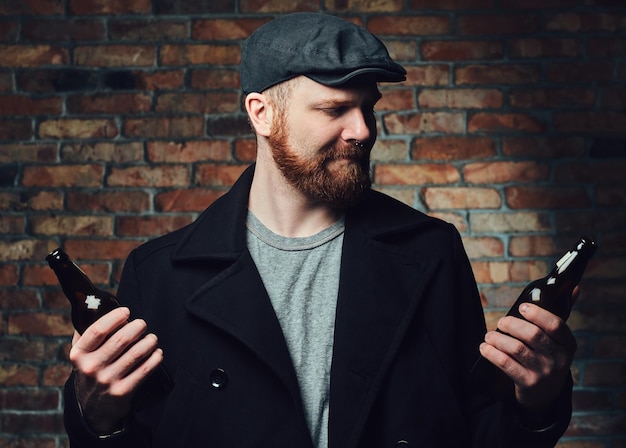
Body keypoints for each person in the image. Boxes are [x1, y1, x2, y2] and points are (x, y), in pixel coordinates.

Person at [63, 12, 577, 448]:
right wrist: (96, 417)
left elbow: (478, 428)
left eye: (368, 108)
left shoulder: (430, 252)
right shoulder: (159, 275)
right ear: (261, 114)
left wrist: (538, 404)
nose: (363, 130)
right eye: (335, 109)